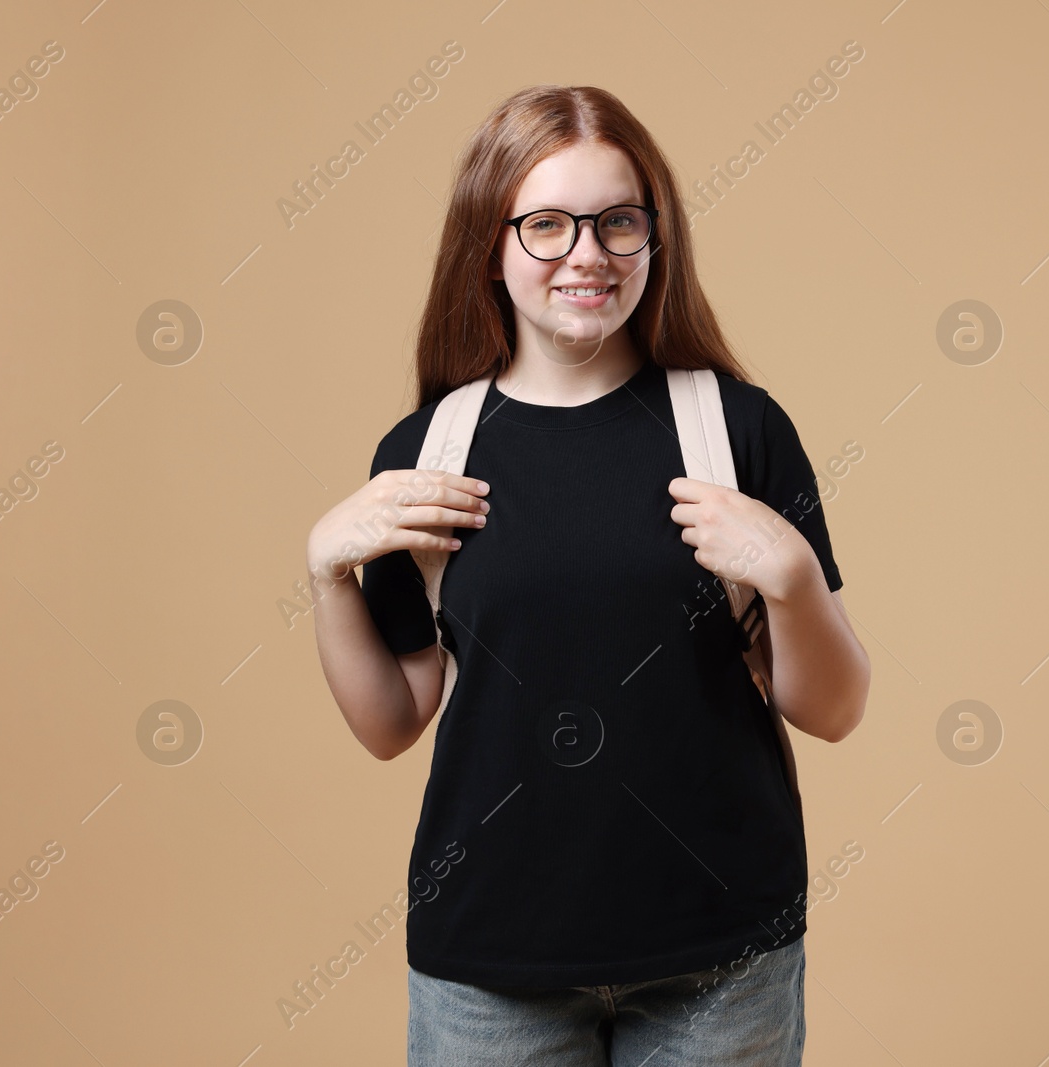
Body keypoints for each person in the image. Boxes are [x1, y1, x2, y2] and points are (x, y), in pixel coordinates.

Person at [305, 83, 871, 1066]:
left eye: (617, 222)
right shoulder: (427, 452)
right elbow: (394, 720)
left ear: (655, 239)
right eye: (548, 225)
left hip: (722, 957)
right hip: (488, 964)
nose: (587, 254)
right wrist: (325, 574)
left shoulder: (736, 431)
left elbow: (832, 707)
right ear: (491, 243)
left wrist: (790, 576)